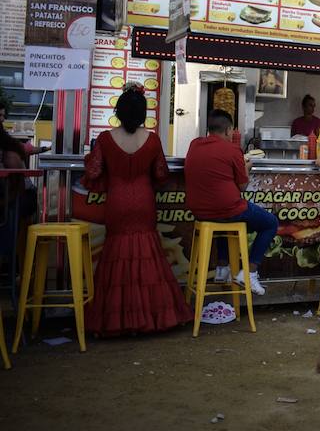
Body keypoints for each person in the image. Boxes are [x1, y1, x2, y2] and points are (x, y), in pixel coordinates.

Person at [81, 83, 192, 335]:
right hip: (144, 201)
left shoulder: (106, 139)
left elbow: (93, 171)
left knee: (117, 255)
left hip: (117, 203)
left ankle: (118, 321)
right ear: (143, 114)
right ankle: (153, 318)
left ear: (118, 112)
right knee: (147, 255)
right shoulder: (151, 140)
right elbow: (161, 175)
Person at [185, 110, 278, 296]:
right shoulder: (232, 150)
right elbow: (243, 186)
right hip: (227, 209)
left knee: (225, 223)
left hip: (199, 211)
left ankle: (222, 268)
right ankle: (250, 273)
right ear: (229, 130)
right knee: (270, 223)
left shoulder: (194, 145)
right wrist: (246, 167)